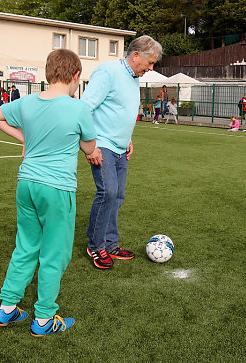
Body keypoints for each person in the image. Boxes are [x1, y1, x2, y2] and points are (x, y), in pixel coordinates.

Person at [0, 49, 98, 336]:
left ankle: (7, 309)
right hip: (56, 187)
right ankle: (43, 320)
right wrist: (93, 150)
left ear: (48, 74)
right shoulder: (78, 108)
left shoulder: (26, 102)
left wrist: (27, 138)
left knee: (26, 246)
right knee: (54, 253)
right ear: (76, 76)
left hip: (26, 184)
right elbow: (89, 148)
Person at [82, 35, 162, 269]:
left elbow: (120, 109)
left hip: (120, 147)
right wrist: (91, 145)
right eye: (150, 62)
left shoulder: (133, 76)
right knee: (107, 193)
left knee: (117, 196)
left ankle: (110, 244)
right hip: (102, 144)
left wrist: (128, 139)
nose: (151, 68)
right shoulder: (108, 72)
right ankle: (96, 246)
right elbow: (85, 107)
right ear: (136, 55)